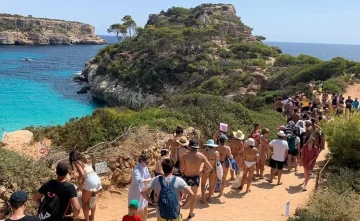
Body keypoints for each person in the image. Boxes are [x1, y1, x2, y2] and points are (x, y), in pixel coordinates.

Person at [180, 140, 212, 219]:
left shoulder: (185, 155)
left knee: (180, 194)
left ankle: (178, 211)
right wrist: (203, 171)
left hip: (186, 176)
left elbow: (181, 168)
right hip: (195, 177)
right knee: (193, 197)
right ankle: (191, 214)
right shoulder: (201, 156)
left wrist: (184, 171)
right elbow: (210, 167)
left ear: (190, 146)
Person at [69, 151, 101, 221]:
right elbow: (85, 176)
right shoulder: (84, 161)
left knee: (84, 202)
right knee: (92, 198)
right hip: (96, 178)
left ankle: (87, 219)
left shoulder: (76, 162)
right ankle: (92, 217)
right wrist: (80, 185)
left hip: (90, 180)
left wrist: (78, 181)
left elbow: (82, 174)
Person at [128, 154, 152, 221]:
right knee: (139, 213)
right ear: (141, 161)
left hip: (144, 191)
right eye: (147, 162)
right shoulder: (136, 169)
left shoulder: (145, 167)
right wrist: (148, 180)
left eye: (148, 162)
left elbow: (148, 175)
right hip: (137, 193)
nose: (148, 164)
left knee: (145, 211)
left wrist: (149, 179)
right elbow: (139, 180)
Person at [200, 139, 219, 203]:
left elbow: (201, 160)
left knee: (203, 184)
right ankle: (209, 198)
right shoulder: (216, 152)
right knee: (212, 185)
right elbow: (217, 163)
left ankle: (203, 199)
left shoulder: (204, 152)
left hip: (205, 170)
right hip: (213, 170)